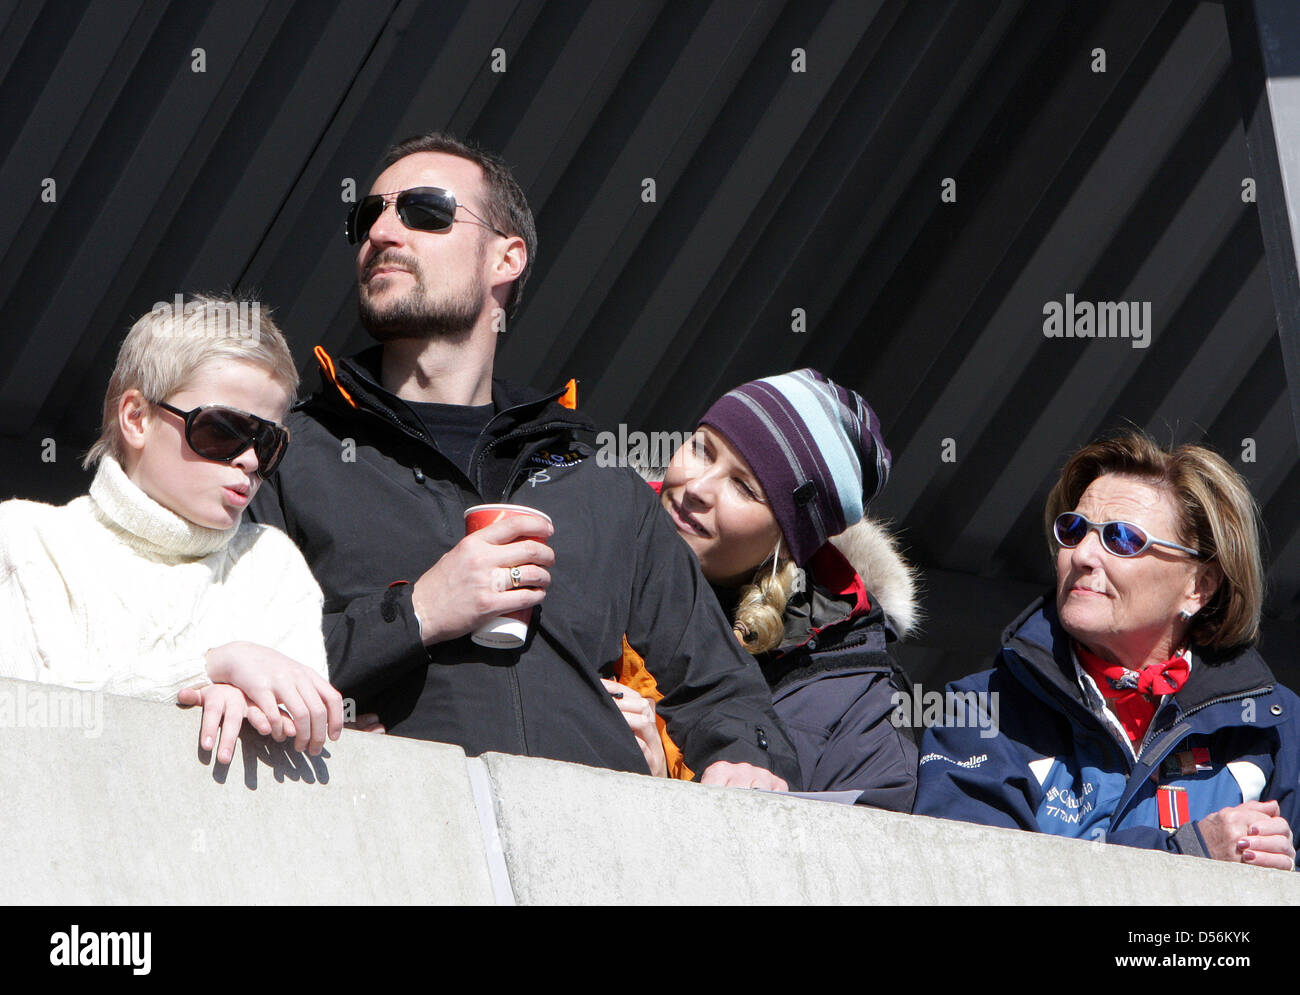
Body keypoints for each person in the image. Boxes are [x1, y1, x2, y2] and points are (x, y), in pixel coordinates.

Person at [249, 132, 798, 788]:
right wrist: (419, 610)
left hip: (597, 864)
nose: (385, 230)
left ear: (505, 257)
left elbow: (724, 694)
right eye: (367, 216)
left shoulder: (600, 483)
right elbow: (226, 655)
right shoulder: (283, 454)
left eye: (425, 210)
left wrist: (745, 765)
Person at [914, 431, 1298, 870]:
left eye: (1121, 538)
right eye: (1073, 530)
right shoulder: (979, 713)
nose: (1083, 555)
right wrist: (1186, 858)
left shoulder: (1280, 728)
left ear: (1198, 587)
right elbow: (968, 881)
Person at [0, 294, 343, 765]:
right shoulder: (25, 539)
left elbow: (301, 739)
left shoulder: (274, 565)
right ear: (136, 418)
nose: (249, 459)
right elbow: (27, 735)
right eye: (223, 430)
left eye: (269, 443)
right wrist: (206, 671)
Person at [632, 369, 919, 808]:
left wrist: (664, 789)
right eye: (701, 450)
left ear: (788, 544)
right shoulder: (569, 536)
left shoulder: (856, 708)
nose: (697, 488)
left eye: (744, 487)